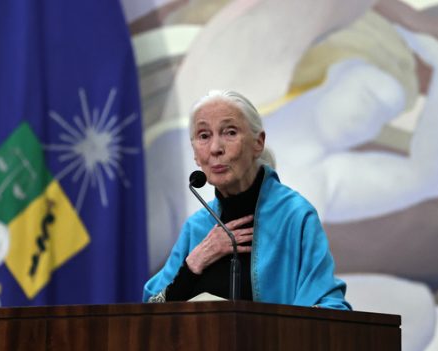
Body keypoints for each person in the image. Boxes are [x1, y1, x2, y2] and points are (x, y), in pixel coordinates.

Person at [143, 90, 351, 310]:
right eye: (204, 136)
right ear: (195, 153)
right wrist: (193, 264)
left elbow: (331, 307)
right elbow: (151, 312)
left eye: (230, 132)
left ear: (258, 143)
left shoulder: (295, 216)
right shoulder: (197, 227)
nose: (215, 148)